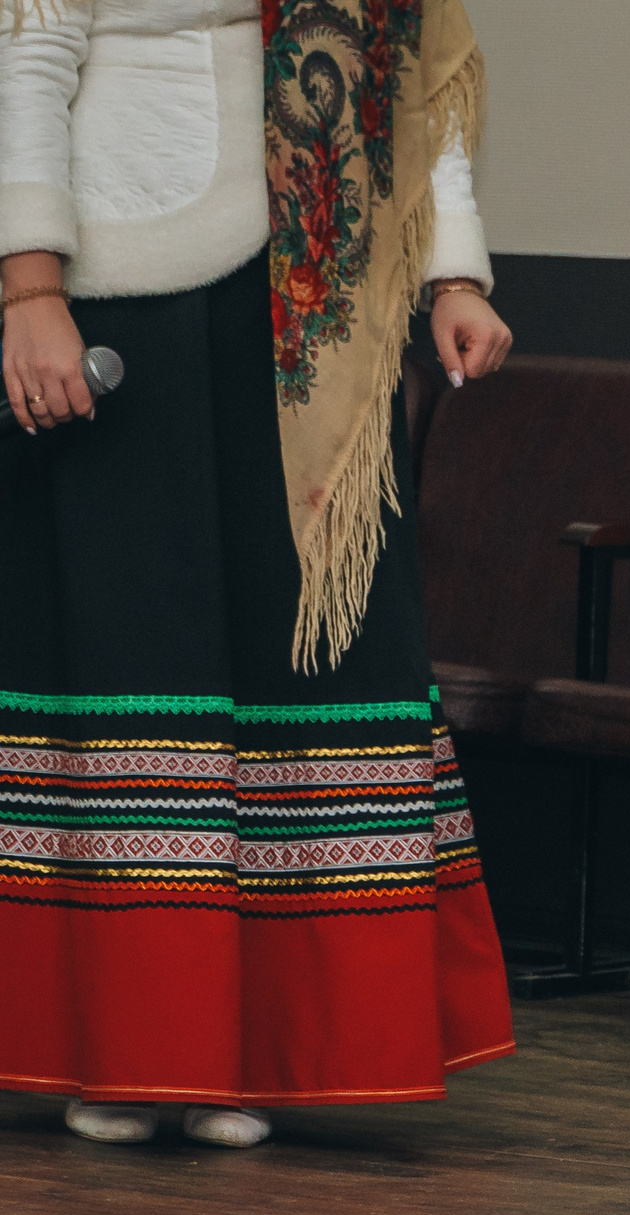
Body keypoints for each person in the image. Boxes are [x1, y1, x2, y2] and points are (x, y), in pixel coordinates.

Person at [0, 0, 514, 1146]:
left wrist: (453, 274)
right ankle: (130, 1051)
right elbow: (26, 53)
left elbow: (406, 73)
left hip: (317, 305)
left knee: (300, 661)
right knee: (137, 663)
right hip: (124, 284)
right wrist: (28, 291)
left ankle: (254, 1054)